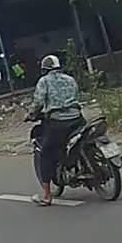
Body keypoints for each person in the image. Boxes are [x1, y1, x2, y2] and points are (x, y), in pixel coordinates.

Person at [29, 54, 85, 206]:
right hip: (77, 119)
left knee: (45, 154)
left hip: (58, 123)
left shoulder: (44, 81)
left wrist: (31, 114)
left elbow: (38, 102)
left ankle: (47, 196)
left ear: (45, 69)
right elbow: (76, 96)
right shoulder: (70, 79)